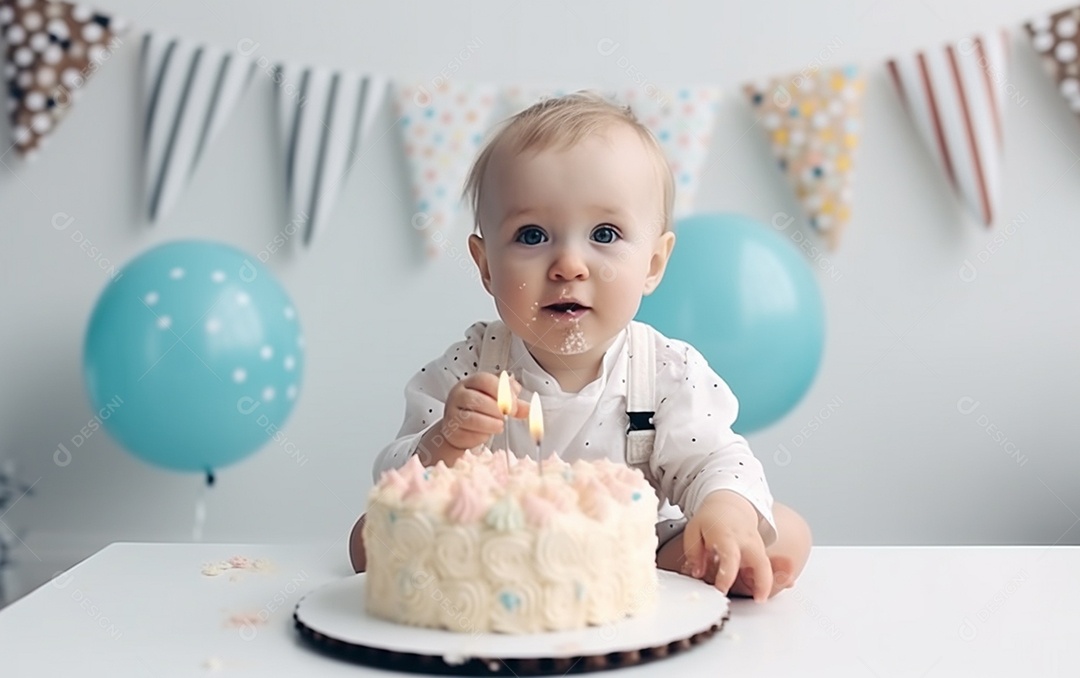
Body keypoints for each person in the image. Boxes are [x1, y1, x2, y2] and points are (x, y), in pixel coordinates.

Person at [350, 91, 811, 601]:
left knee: (785, 528)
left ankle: (700, 564)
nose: (569, 265)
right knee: (367, 538)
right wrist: (446, 439)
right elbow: (392, 476)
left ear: (653, 264)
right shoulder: (471, 365)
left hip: (635, 553)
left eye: (605, 234)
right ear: (486, 266)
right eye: (531, 236)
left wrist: (724, 510)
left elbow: (716, 460)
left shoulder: (665, 371)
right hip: (496, 550)